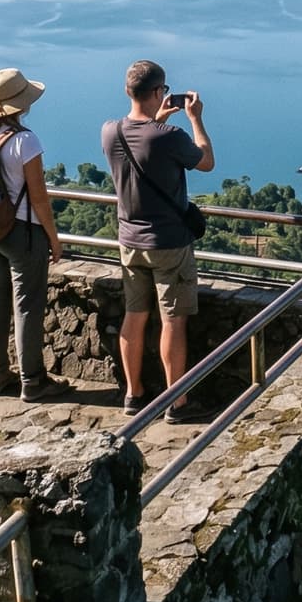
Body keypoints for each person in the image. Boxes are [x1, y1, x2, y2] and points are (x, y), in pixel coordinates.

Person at [104, 58, 214, 422]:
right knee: (172, 320)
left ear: (127, 91)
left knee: (135, 315)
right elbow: (206, 161)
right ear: (157, 92)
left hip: (128, 241)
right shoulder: (170, 137)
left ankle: (134, 395)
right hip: (168, 243)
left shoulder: (110, 131)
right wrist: (195, 118)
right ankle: (176, 402)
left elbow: (141, 144)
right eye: (163, 91)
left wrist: (157, 118)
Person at [0, 67, 69, 402]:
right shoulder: (26, 140)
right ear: (21, 104)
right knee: (28, 305)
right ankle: (33, 382)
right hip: (22, 233)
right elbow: (39, 197)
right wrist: (53, 239)